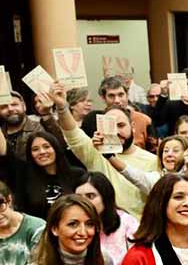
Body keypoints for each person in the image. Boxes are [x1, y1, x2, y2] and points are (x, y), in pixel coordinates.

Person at [50, 81, 158, 219]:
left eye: (121, 125)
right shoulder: (94, 151)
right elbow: (71, 132)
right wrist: (62, 106)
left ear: (132, 127)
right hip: (102, 230)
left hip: (139, 233)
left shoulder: (152, 160)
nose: (117, 132)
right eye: (111, 126)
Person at [0, 129, 84, 219]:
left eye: (46, 147)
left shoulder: (77, 174)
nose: (42, 152)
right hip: (37, 230)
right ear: (30, 154)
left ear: (56, 148)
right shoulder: (23, 174)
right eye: (35, 149)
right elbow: (6, 153)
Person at [75, 171, 139, 265]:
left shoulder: (127, 223)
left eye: (90, 196)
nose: (83, 202)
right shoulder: (71, 227)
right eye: (78, 197)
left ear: (105, 197)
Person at [0, 91, 62, 162]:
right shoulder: (1, 134)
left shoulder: (41, 126)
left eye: (14, 104)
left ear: (24, 106)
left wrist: (46, 114)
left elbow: (61, 146)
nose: (10, 109)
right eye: (4, 107)